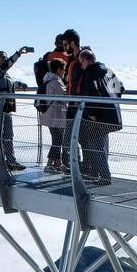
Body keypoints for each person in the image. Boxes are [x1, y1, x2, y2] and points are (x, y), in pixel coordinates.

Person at [76, 48, 122, 186]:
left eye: (81, 62)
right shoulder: (107, 70)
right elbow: (120, 88)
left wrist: (92, 113)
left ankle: (104, 176)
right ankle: (98, 174)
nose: (81, 66)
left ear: (85, 60)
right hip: (111, 113)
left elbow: (92, 94)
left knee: (95, 145)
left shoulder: (91, 73)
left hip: (98, 116)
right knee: (101, 145)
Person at [0, 47, 31, 172]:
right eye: (2, 56)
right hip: (0, 109)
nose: (5, 59)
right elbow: (4, 68)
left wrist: (19, 84)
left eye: (6, 57)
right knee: (2, 136)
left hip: (6, 108)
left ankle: (10, 161)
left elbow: (9, 84)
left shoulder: (3, 73)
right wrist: (18, 54)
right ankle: (3, 160)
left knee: (8, 135)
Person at [60, 29, 84, 174]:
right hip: (72, 104)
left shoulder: (83, 59)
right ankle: (74, 165)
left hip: (79, 105)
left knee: (80, 138)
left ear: (73, 43)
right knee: (70, 137)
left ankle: (80, 166)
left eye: (66, 44)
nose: (64, 47)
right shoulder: (72, 60)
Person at [39, 59, 67, 174]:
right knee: (58, 140)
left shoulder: (47, 79)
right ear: (58, 69)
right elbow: (65, 96)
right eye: (63, 69)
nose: (64, 72)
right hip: (56, 116)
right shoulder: (56, 82)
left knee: (56, 138)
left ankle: (58, 163)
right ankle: (49, 164)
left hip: (49, 115)